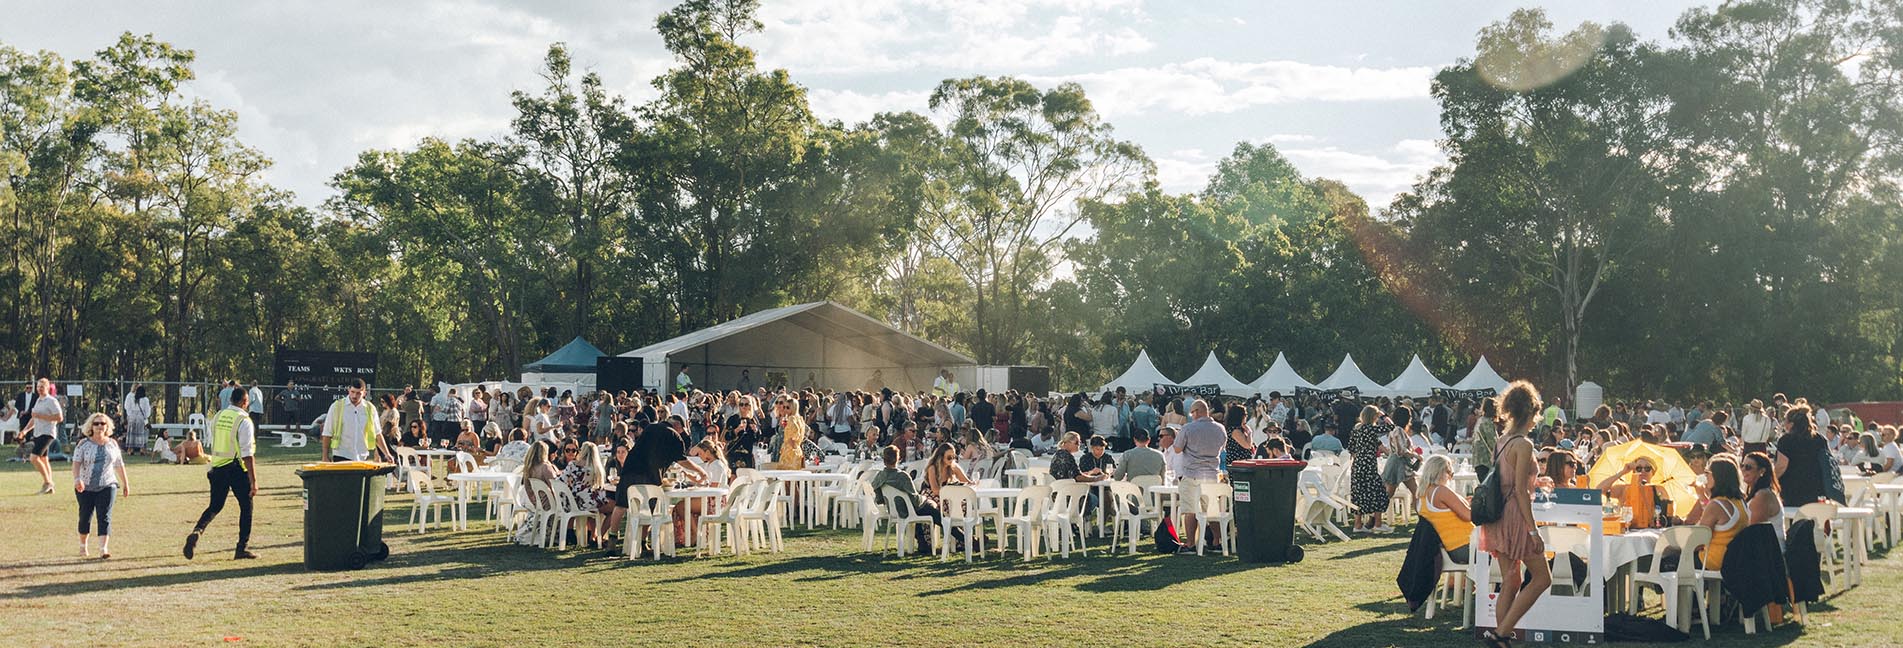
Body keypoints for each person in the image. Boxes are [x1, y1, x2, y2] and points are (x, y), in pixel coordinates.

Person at [1477, 381, 1550, 648]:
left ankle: (1501, 638)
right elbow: (1519, 491)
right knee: (1542, 578)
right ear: (1530, 412)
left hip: (1498, 516)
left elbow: (1506, 481)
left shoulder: (1502, 441)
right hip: (1515, 517)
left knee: (1511, 580)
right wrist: (1534, 530)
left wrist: (1536, 482)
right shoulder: (1524, 444)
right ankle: (1502, 633)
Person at [184, 388, 259, 560]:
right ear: (244, 401)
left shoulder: (218, 416)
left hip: (217, 466)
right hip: (236, 467)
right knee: (246, 507)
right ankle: (241, 548)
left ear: (231, 400)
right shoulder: (244, 420)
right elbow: (247, 453)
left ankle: (197, 531)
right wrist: (253, 481)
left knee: (215, 506)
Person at [72, 413, 130, 559]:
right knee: (85, 516)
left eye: (102, 424)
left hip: (107, 484)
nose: (99, 426)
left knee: (104, 516)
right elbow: (76, 463)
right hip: (85, 486)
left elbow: (119, 464)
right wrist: (77, 479)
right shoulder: (83, 444)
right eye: (96, 423)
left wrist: (125, 483)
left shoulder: (112, 444)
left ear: (107, 426)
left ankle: (103, 548)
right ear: (91, 426)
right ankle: (83, 546)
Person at [1172, 400, 1225, 551]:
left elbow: (1177, 449)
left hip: (1192, 472)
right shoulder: (1220, 428)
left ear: (1196, 411)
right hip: (1212, 474)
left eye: (1192, 413)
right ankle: (1216, 541)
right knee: (1212, 510)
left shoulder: (1188, 428)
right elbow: (1221, 449)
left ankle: (1190, 544)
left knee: (1190, 510)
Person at [1687, 456, 1746, 570]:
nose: (1705, 476)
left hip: (1713, 560)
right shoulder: (1740, 501)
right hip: (1734, 560)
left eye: (1708, 473)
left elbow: (1698, 542)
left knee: (1663, 563)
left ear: (1718, 477)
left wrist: (1676, 546)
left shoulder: (1716, 505)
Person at [1417, 454, 1474, 564]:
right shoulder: (1441, 491)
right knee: (1505, 550)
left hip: (1448, 548)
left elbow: (1443, 515)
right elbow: (1469, 516)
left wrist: (1464, 503)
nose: (1450, 478)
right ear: (1442, 472)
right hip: (1463, 545)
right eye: (1450, 473)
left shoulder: (1422, 494)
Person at [1350, 405, 1395, 533]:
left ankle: (1358, 525)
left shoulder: (1357, 430)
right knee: (1379, 493)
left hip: (1357, 465)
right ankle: (1378, 523)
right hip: (1369, 465)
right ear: (1374, 416)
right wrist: (1384, 416)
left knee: (1358, 494)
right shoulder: (1371, 429)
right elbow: (1392, 427)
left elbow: (1351, 448)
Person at [321, 379, 390, 463]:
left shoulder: (370, 408)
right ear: (348, 390)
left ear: (364, 393)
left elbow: (378, 434)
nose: (354, 396)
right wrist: (325, 456)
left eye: (358, 393)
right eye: (352, 392)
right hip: (341, 454)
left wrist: (387, 454)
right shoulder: (336, 406)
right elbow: (327, 433)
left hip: (362, 456)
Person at [1774, 405, 1829, 506]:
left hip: (1793, 491)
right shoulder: (1820, 439)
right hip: (1817, 489)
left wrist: (1770, 480)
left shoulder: (1786, 440)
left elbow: (1781, 466)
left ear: (1791, 424)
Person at [1596, 455, 1671, 529]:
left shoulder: (1659, 489)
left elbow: (1667, 513)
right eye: (1639, 468)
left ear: (1653, 472)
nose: (1643, 471)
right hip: (1628, 530)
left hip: (1652, 529)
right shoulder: (1624, 488)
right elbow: (1599, 490)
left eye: (1647, 468)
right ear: (1634, 471)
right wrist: (1622, 472)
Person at [26, 378, 63, 494]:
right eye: (38, 387)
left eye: (42, 387)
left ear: (47, 388)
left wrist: (41, 416)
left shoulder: (52, 401)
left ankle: (48, 482)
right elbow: (34, 418)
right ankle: (50, 487)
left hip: (47, 433)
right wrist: (25, 430)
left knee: (33, 458)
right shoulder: (38, 400)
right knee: (44, 459)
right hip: (38, 432)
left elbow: (59, 417)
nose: (39, 389)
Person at [774, 398, 809, 469]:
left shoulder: (791, 419)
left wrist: (790, 445)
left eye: (788, 407)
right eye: (784, 407)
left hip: (789, 450)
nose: (785, 409)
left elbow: (792, 436)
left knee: (786, 475)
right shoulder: (800, 418)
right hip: (797, 449)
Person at [122, 385, 152, 455]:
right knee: (141, 434)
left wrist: (129, 415)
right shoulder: (145, 399)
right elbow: (147, 410)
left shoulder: (131, 397)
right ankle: (142, 449)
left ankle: (130, 449)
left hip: (132, 417)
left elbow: (127, 407)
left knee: (132, 434)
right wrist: (146, 416)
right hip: (140, 418)